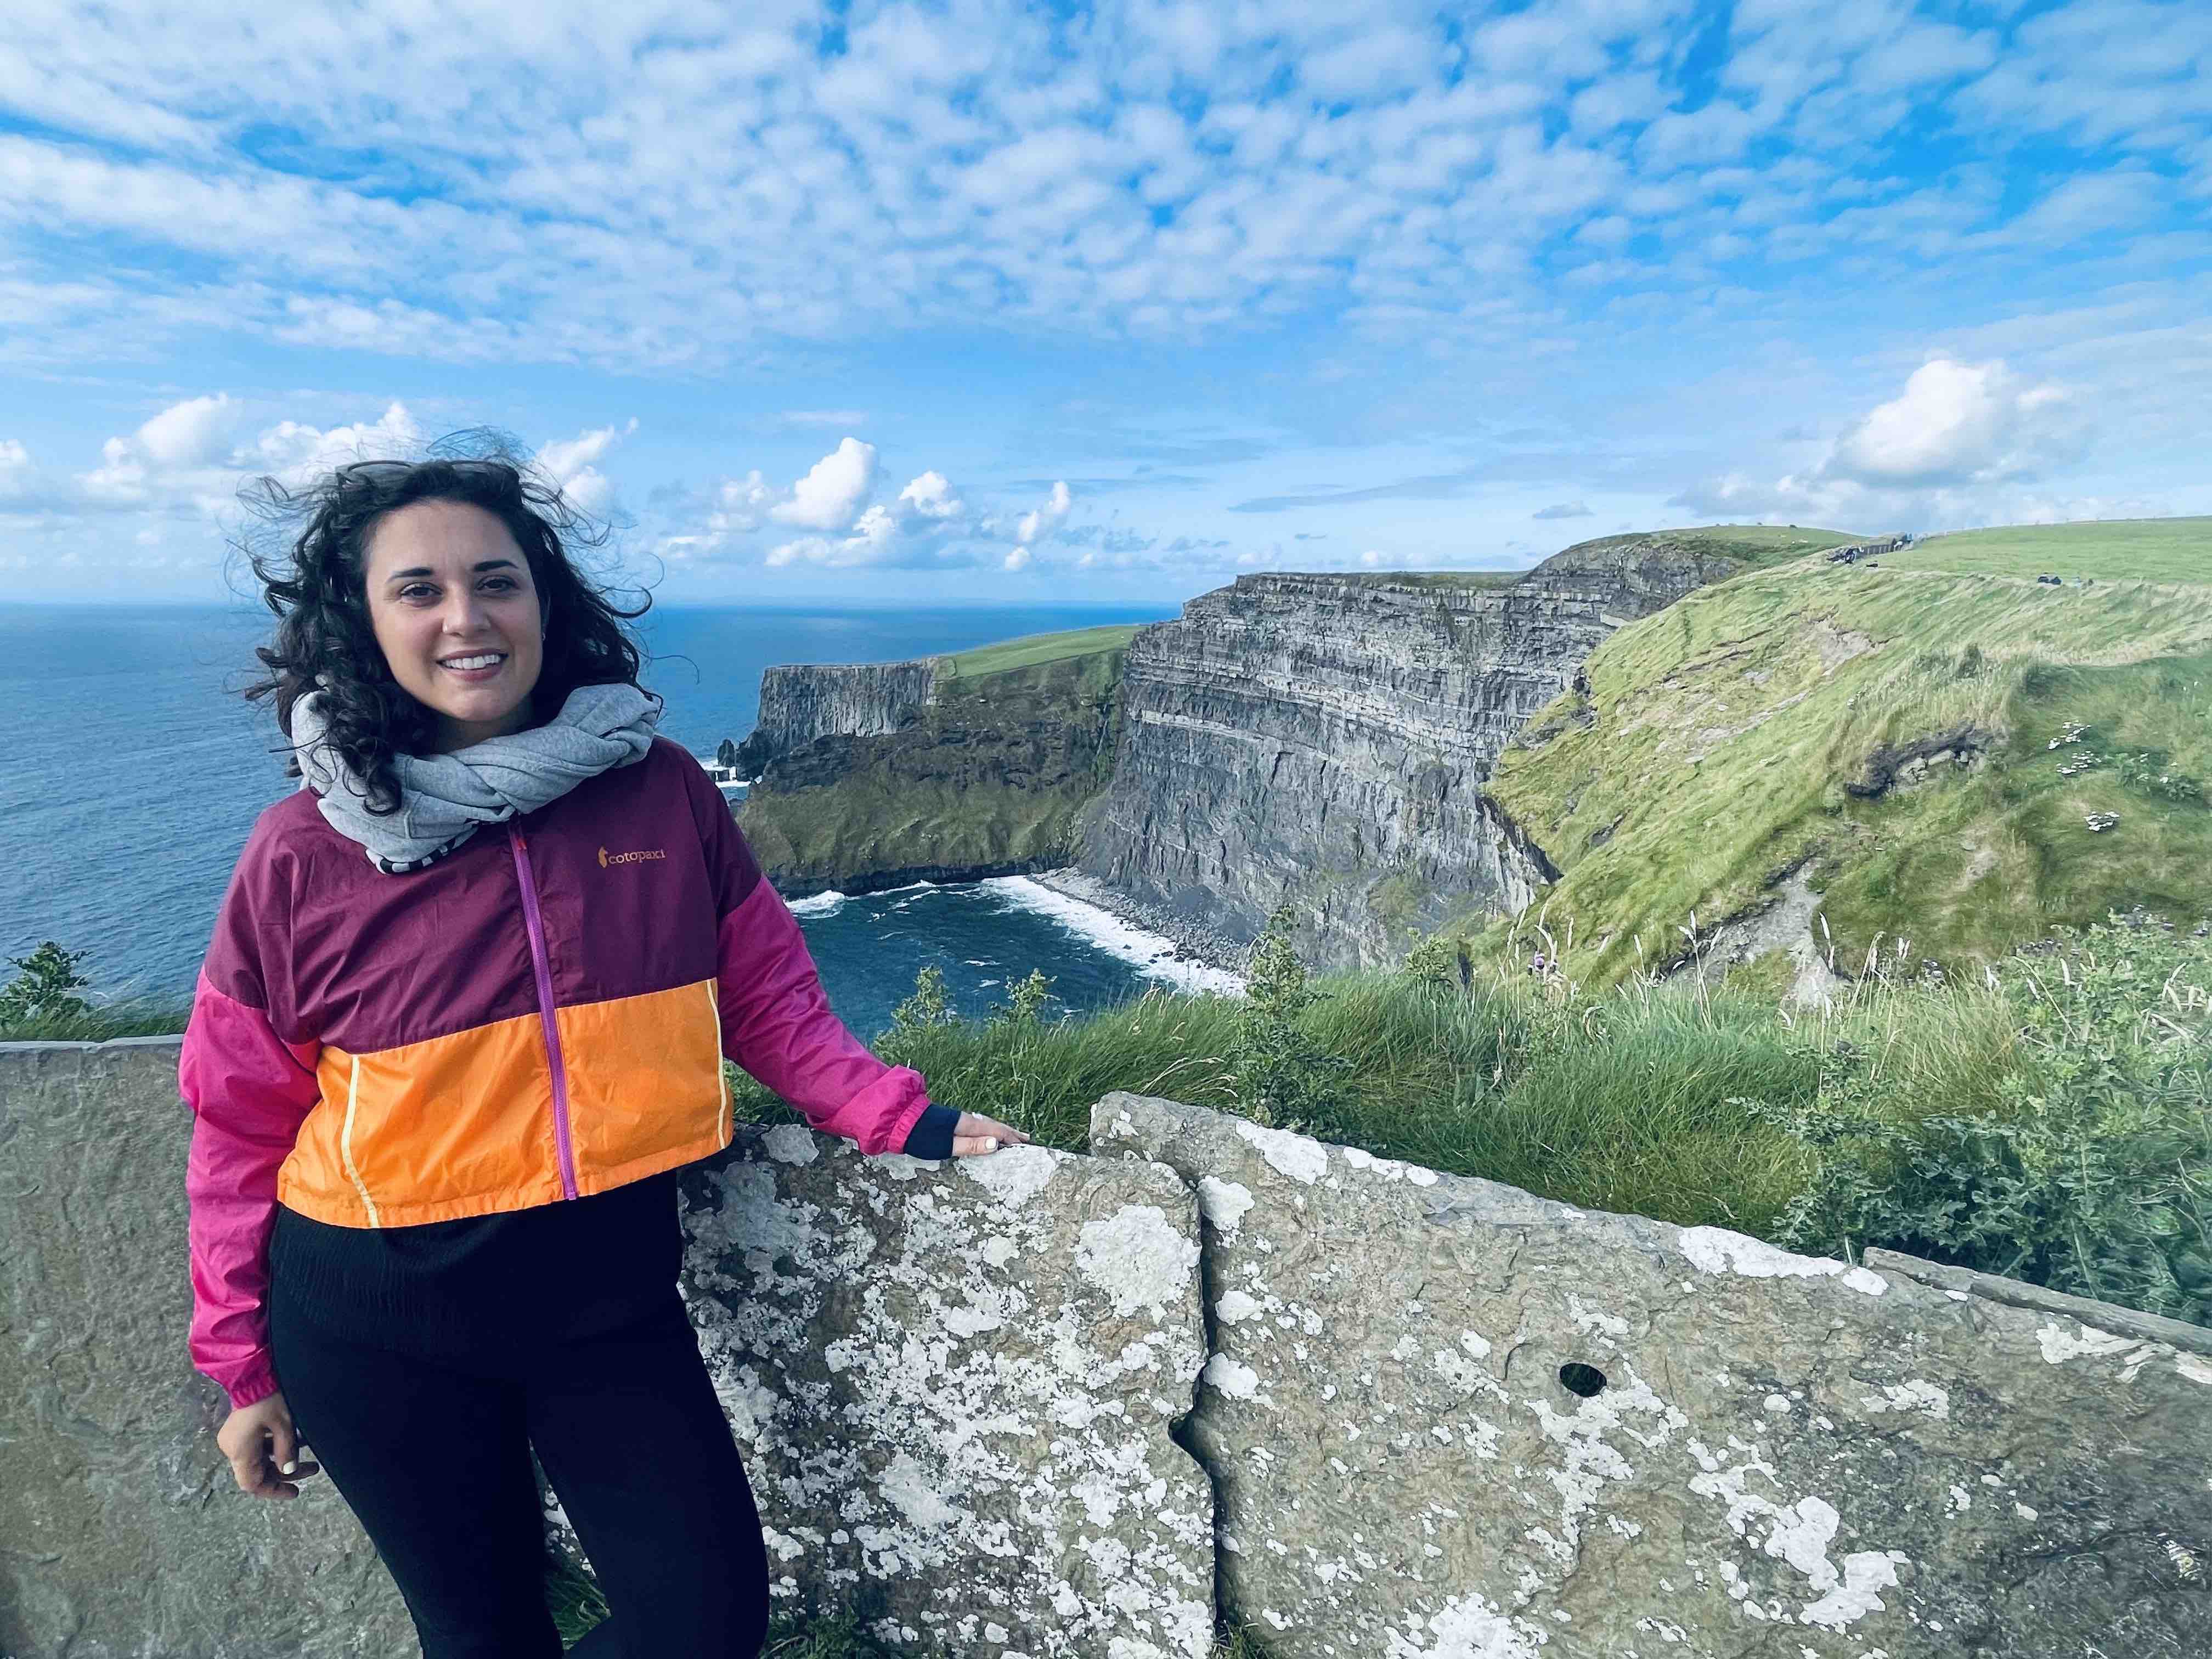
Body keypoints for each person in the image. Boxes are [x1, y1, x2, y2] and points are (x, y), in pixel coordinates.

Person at [178, 441, 1028, 1658]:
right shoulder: (302, 852)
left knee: (707, 1622)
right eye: (419, 590)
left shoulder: (660, 792)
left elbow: (765, 993)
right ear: (363, 625)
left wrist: (894, 1115)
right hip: (374, 1313)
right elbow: (238, 1118)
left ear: (545, 599)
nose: (466, 617)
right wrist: (241, 1366)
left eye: (497, 580)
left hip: (605, 1289)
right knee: (482, 1637)